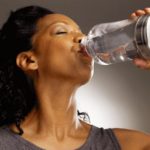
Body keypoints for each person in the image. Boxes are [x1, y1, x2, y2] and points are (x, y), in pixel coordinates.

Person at [0, 5, 150, 150]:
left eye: (80, 32)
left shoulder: (131, 145)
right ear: (29, 60)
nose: (82, 38)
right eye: (61, 32)